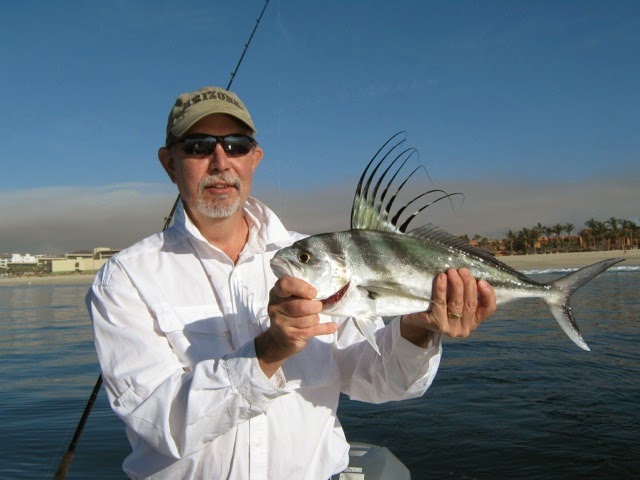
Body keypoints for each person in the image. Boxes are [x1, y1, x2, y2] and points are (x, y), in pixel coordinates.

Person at [87, 86, 497, 479]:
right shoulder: (126, 279)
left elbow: (377, 380)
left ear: (255, 158)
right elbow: (160, 423)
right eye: (198, 146)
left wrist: (417, 330)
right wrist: (267, 352)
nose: (220, 161)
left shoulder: (324, 260)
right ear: (168, 163)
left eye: (236, 145)